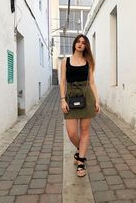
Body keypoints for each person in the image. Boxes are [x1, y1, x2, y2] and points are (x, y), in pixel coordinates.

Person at [60, 34, 100, 177]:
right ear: (74, 44)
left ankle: (81, 160)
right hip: (70, 96)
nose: (80, 44)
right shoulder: (66, 61)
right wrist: (62, 99)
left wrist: (97, 100)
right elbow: (63, 81)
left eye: (83, 42)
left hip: (86, 97)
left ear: (86, 46)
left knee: (84, 131)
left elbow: (92, 82)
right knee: (71, 133)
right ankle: (80, 149)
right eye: (78, 41)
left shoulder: (88, 62)